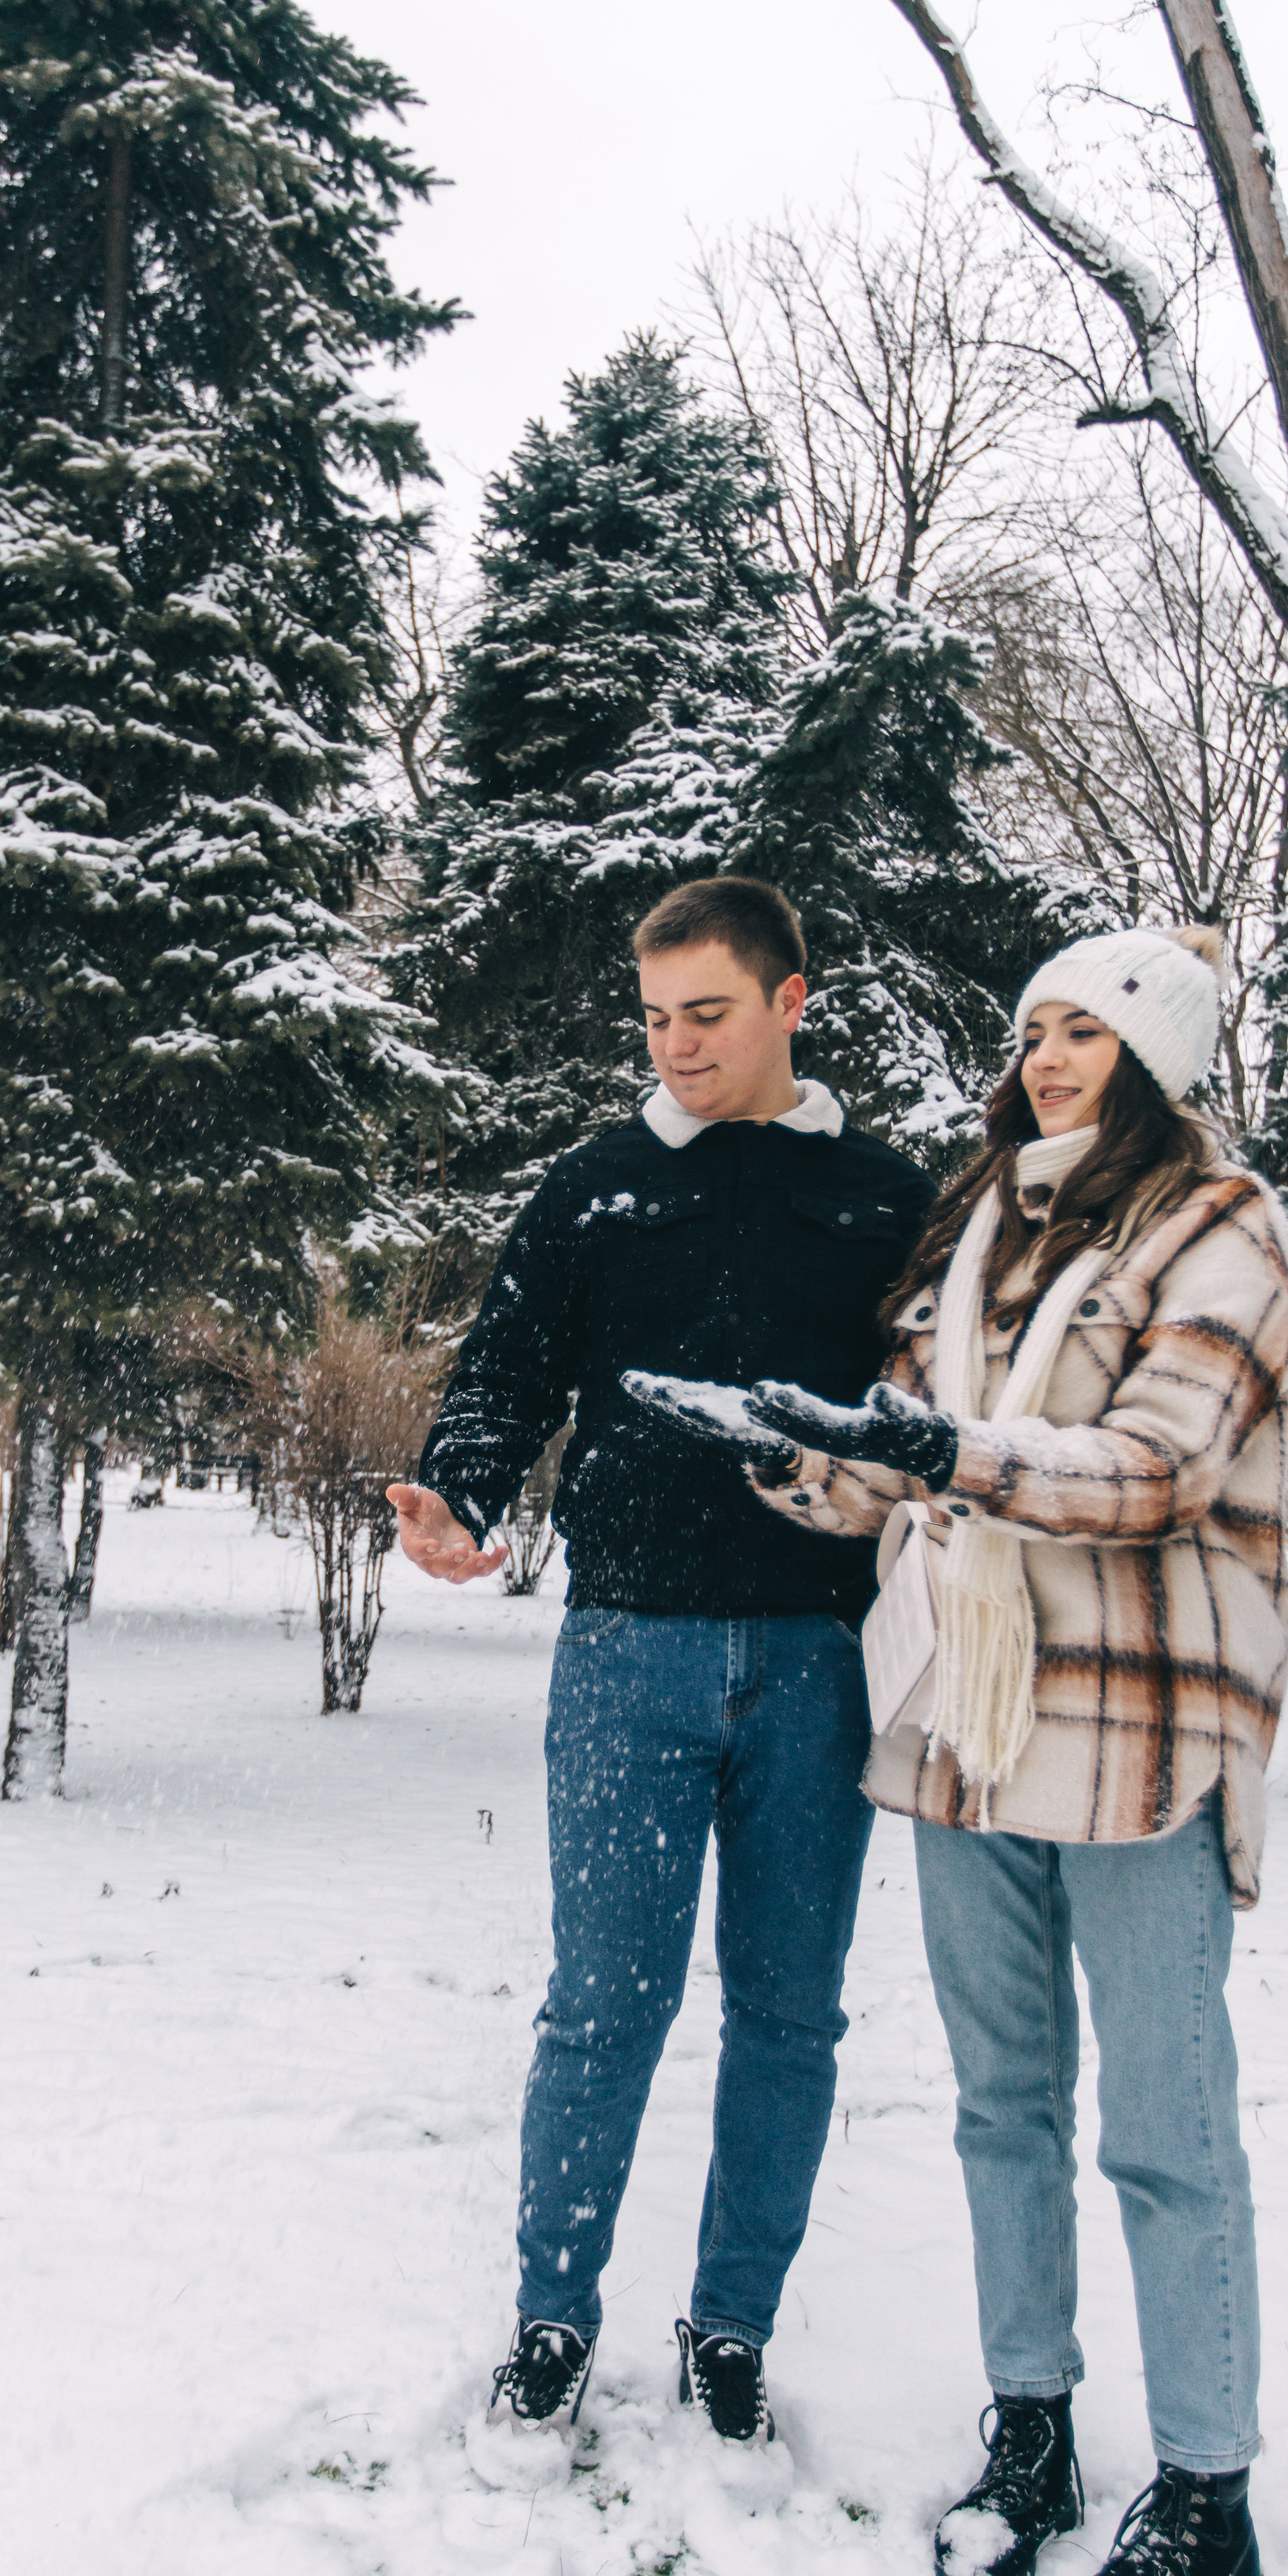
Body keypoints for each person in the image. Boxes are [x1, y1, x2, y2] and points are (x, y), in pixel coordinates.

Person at [638, 922, 1288, 2576]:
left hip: (1136, 1728)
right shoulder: (977, 1234)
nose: (1048, 1052)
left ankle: (1205, 2499)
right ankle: (1031, 2430)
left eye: (1087, 1027)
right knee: (1000, 2110)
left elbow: (1158, 1465)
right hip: (963, 1717)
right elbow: (898, 1480)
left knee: (1163, 2129)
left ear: (1155, 1054)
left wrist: (936, 1454)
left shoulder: (1220, 1231)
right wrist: (789, 1449)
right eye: (1032, 1026)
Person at [388, 876, 932, 2467]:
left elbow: (939, 1393)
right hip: (628, 1651)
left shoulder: (881, 1199)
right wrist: (460, 1491)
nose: (673, 1045)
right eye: (652, 1017)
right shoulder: (596, 1187)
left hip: (818, 1662)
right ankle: (552, 2321)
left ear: (789, 1002)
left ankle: (729, 2331)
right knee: (601, 2008)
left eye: (705, 1013)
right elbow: (505, 1365)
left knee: (786, 2018)